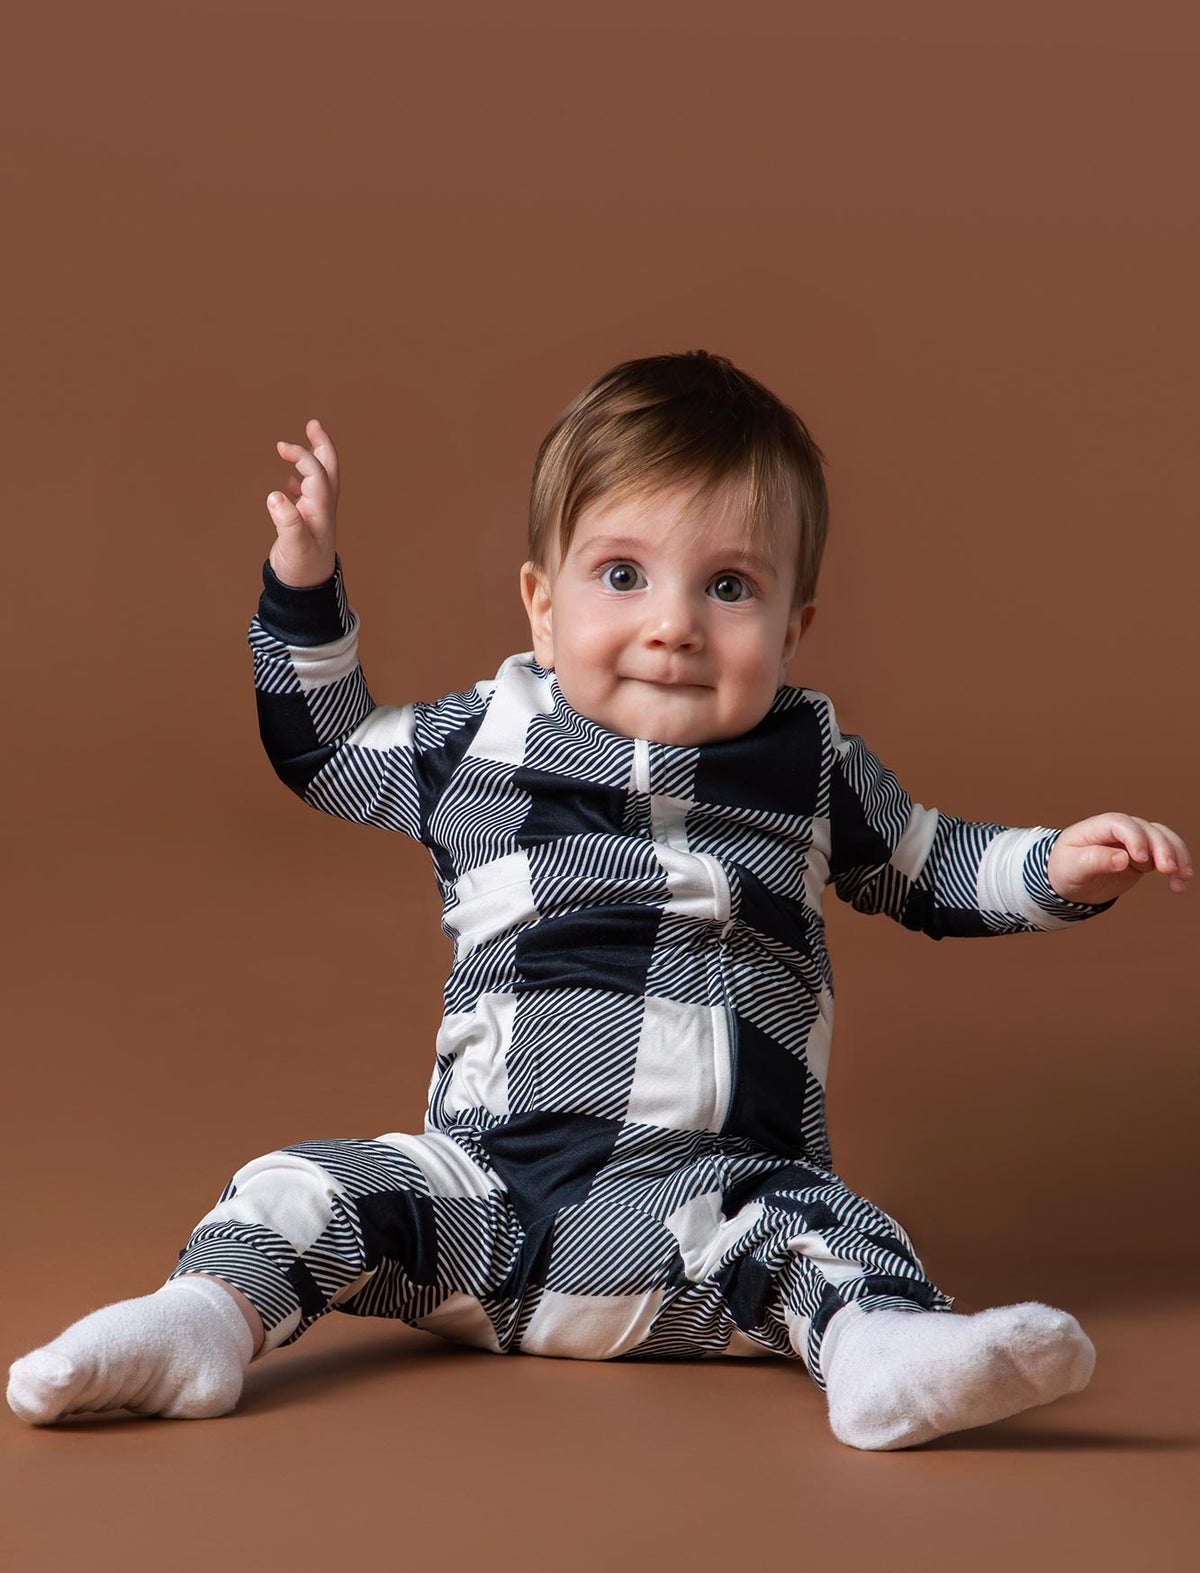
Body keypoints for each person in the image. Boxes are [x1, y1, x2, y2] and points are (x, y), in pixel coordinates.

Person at [7, 351, 1192, 1449]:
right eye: (622, 576)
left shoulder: (811, 763)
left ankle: (878, 1360)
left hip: (706, 1217)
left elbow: (933, 865)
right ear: (541, 603)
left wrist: (1059, 869)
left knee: (828, 1233)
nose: (672, 625)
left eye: (729, 587)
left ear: (794, 630)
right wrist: (303, 586)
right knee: (311, 1189)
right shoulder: (486, 738)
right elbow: (321, 745)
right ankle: (198, 1327)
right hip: (485, 1200)